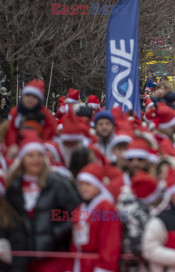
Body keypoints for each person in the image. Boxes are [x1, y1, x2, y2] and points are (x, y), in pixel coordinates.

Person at [6, 130, 81, 271]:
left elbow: (77, 213)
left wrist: (56, 233)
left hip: (54, 258)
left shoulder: (58, 185)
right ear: (22, 160)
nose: (36, 159)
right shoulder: (13, 188)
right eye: (30, 155)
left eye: (40, 155)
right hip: (22, 259)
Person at [67, 163, 122, 272]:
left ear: (98, 185)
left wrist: (104, 267)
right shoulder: (79, 208)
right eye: (81, 184)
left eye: (88, 184)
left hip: (97, 263)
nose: (84, 188)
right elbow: (74, 243)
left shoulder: (106, 207)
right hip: (80, 263)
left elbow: (110, 243)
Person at [5, 79, 57, 147]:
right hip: (18, 145)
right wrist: (12, 145)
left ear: (39, 100)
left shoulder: (45, 114)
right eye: (28, 95)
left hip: (40, 146)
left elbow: (51, 129)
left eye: (34, 97)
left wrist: (42, 145)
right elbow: (11, 130)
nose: (30, 99)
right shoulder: (15, 112)